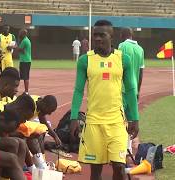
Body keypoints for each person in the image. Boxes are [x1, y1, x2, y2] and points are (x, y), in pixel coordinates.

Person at [69, 20, 139, 180]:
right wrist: (73, 117)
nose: (98, 38)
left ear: (111, 36)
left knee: (120, 167)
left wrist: (135, 118)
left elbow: (130, 91)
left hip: (116, 121)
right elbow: (78, 91)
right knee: (96, 172)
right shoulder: (85, 60)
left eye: (102, 35)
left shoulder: (123, 59)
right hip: (94, 122)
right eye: (95, 35)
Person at [119, 27, 145, 100]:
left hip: (123, 89)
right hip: (134, 89)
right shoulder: (140, 49)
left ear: (122, 35)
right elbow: (141, 73)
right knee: (132, 111)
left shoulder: (122, 46)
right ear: (131, 35)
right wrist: (138, 91)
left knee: (120, 111)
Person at [17, 29, 32, 94]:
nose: (19, 34)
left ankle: (26, 91)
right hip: (27, 60)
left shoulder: (24, 41)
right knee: (25, 76)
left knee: (24, 77)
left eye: (20, 33)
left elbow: (20, 49)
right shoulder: (27, 40)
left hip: (24, 61)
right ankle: (26, 91)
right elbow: (23, 50)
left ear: (23, 34)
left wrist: (13, 47)